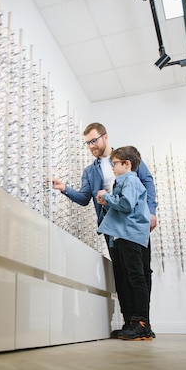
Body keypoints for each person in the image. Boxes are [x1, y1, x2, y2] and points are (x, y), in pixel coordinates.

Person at [51, 123, 158, 338]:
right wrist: (64, 189)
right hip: (113, 229)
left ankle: (143, 322)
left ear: (105, 137)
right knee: (121, 274)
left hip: (136, 224)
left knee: (141, 273)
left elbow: (147, 181)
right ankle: (130, 323)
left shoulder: (125, 158)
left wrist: (152, 211)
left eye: (94, 141)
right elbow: (83, 198)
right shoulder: (90, 171)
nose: (91, 146)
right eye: (88, 143)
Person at [96, 146, 152, 340]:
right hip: (122, 235)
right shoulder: (125, 181)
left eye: (115, 164)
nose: (113, 168)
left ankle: (141, 323)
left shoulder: (130, 180)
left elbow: (126, 204)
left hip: (130, 236)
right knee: (126, 279)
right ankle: (130, 322)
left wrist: (106, 197)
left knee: (135, 278)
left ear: (126, 164)